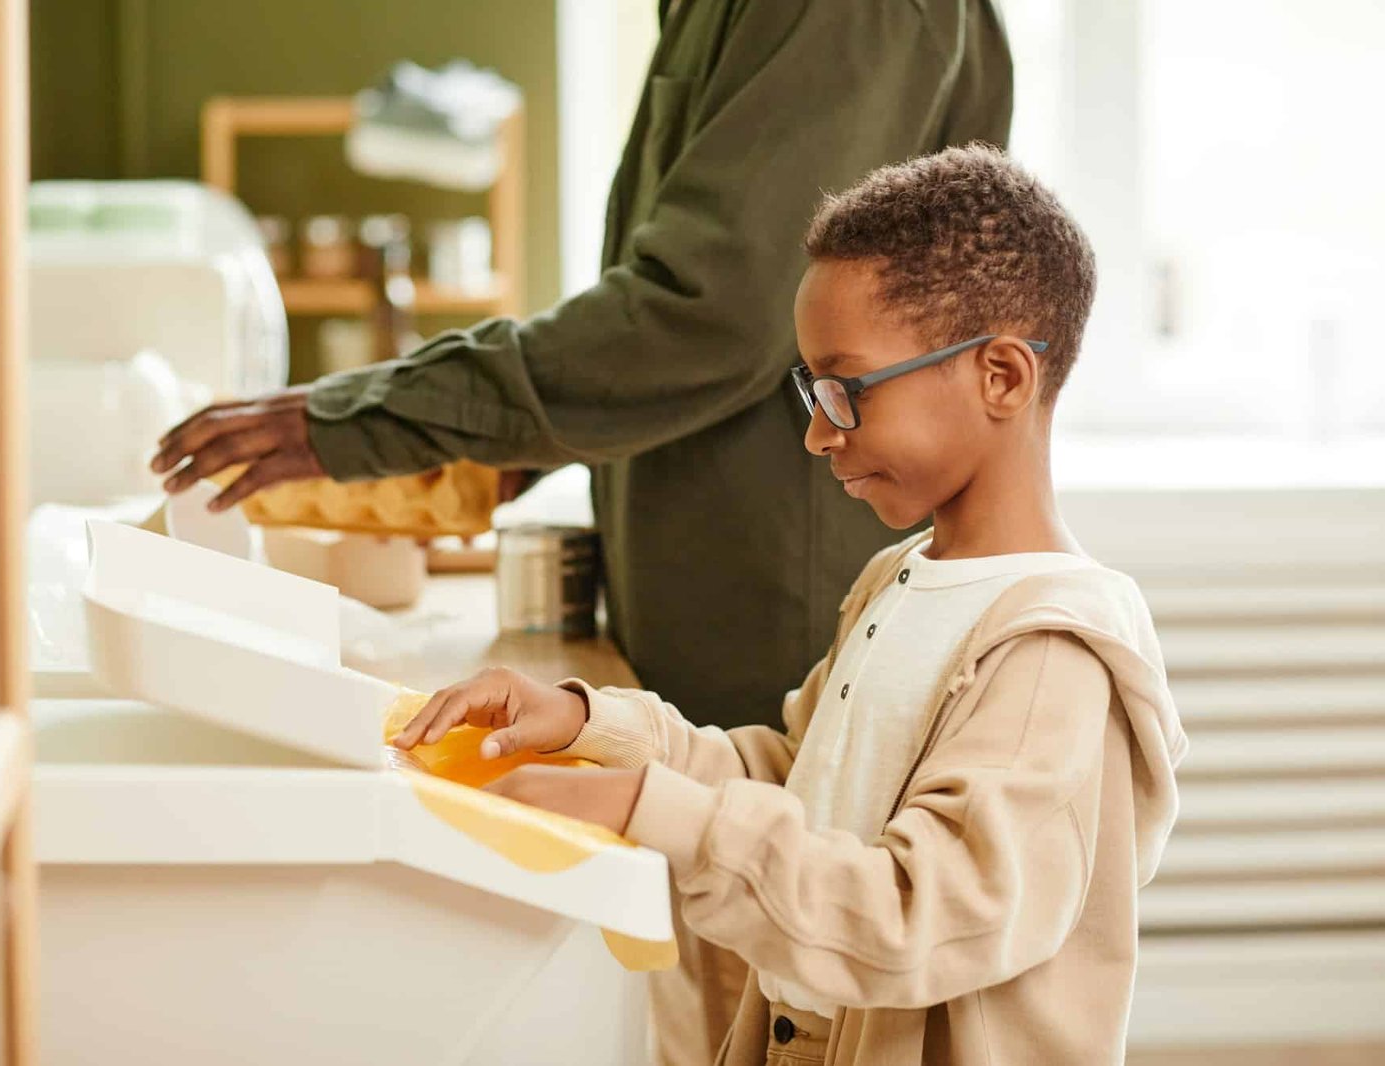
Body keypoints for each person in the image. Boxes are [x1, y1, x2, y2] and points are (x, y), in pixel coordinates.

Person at [392, 146, 1188, 1066]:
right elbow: (792, 778)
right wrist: (585, 725)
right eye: (811, 390)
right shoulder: (898, 581)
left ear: (1001, 377)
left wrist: (645, 808)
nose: (818, 432)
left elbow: (914, 915)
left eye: (846, 391)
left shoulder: (1053, 653)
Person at [151, 0, 1013, 734]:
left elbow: (705, 314)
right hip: (717, 634)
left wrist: (372, 416)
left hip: (778, 636)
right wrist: (514, 436)